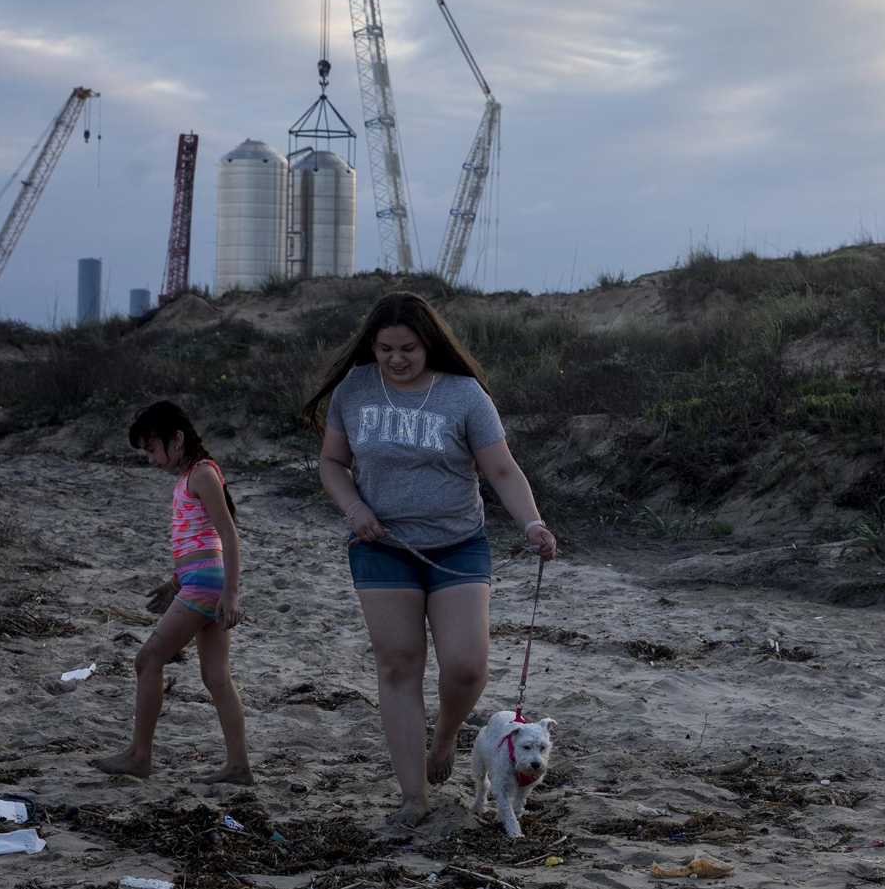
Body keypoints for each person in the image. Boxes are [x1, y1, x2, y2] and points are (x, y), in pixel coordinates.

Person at [304, 291, 558, 828]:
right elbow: (330, 462)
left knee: (467, 668)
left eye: (409, 348)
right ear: (371, 347)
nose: (397, 358)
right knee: (399, 665)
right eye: (386, 348)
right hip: (381, 547)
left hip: (458, 545)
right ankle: (412, 796)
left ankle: (443, 739)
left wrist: (532, 522)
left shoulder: (464, 395)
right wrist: (353, 508)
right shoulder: (354, 390)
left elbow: (502, 470)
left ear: (430, 345)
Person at [93, 401, 252, 785]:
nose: (150, 458)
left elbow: (228, 535)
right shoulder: (189, 478)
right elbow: (198, 540)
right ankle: (238, 766)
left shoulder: (202, 474)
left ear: (176, 439)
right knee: (216, 676)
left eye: (151, 448)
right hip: (200, 581)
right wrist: (175, 581)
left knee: (148, 660)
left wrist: (231, 593)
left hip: (208, 585)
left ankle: (139, 755)